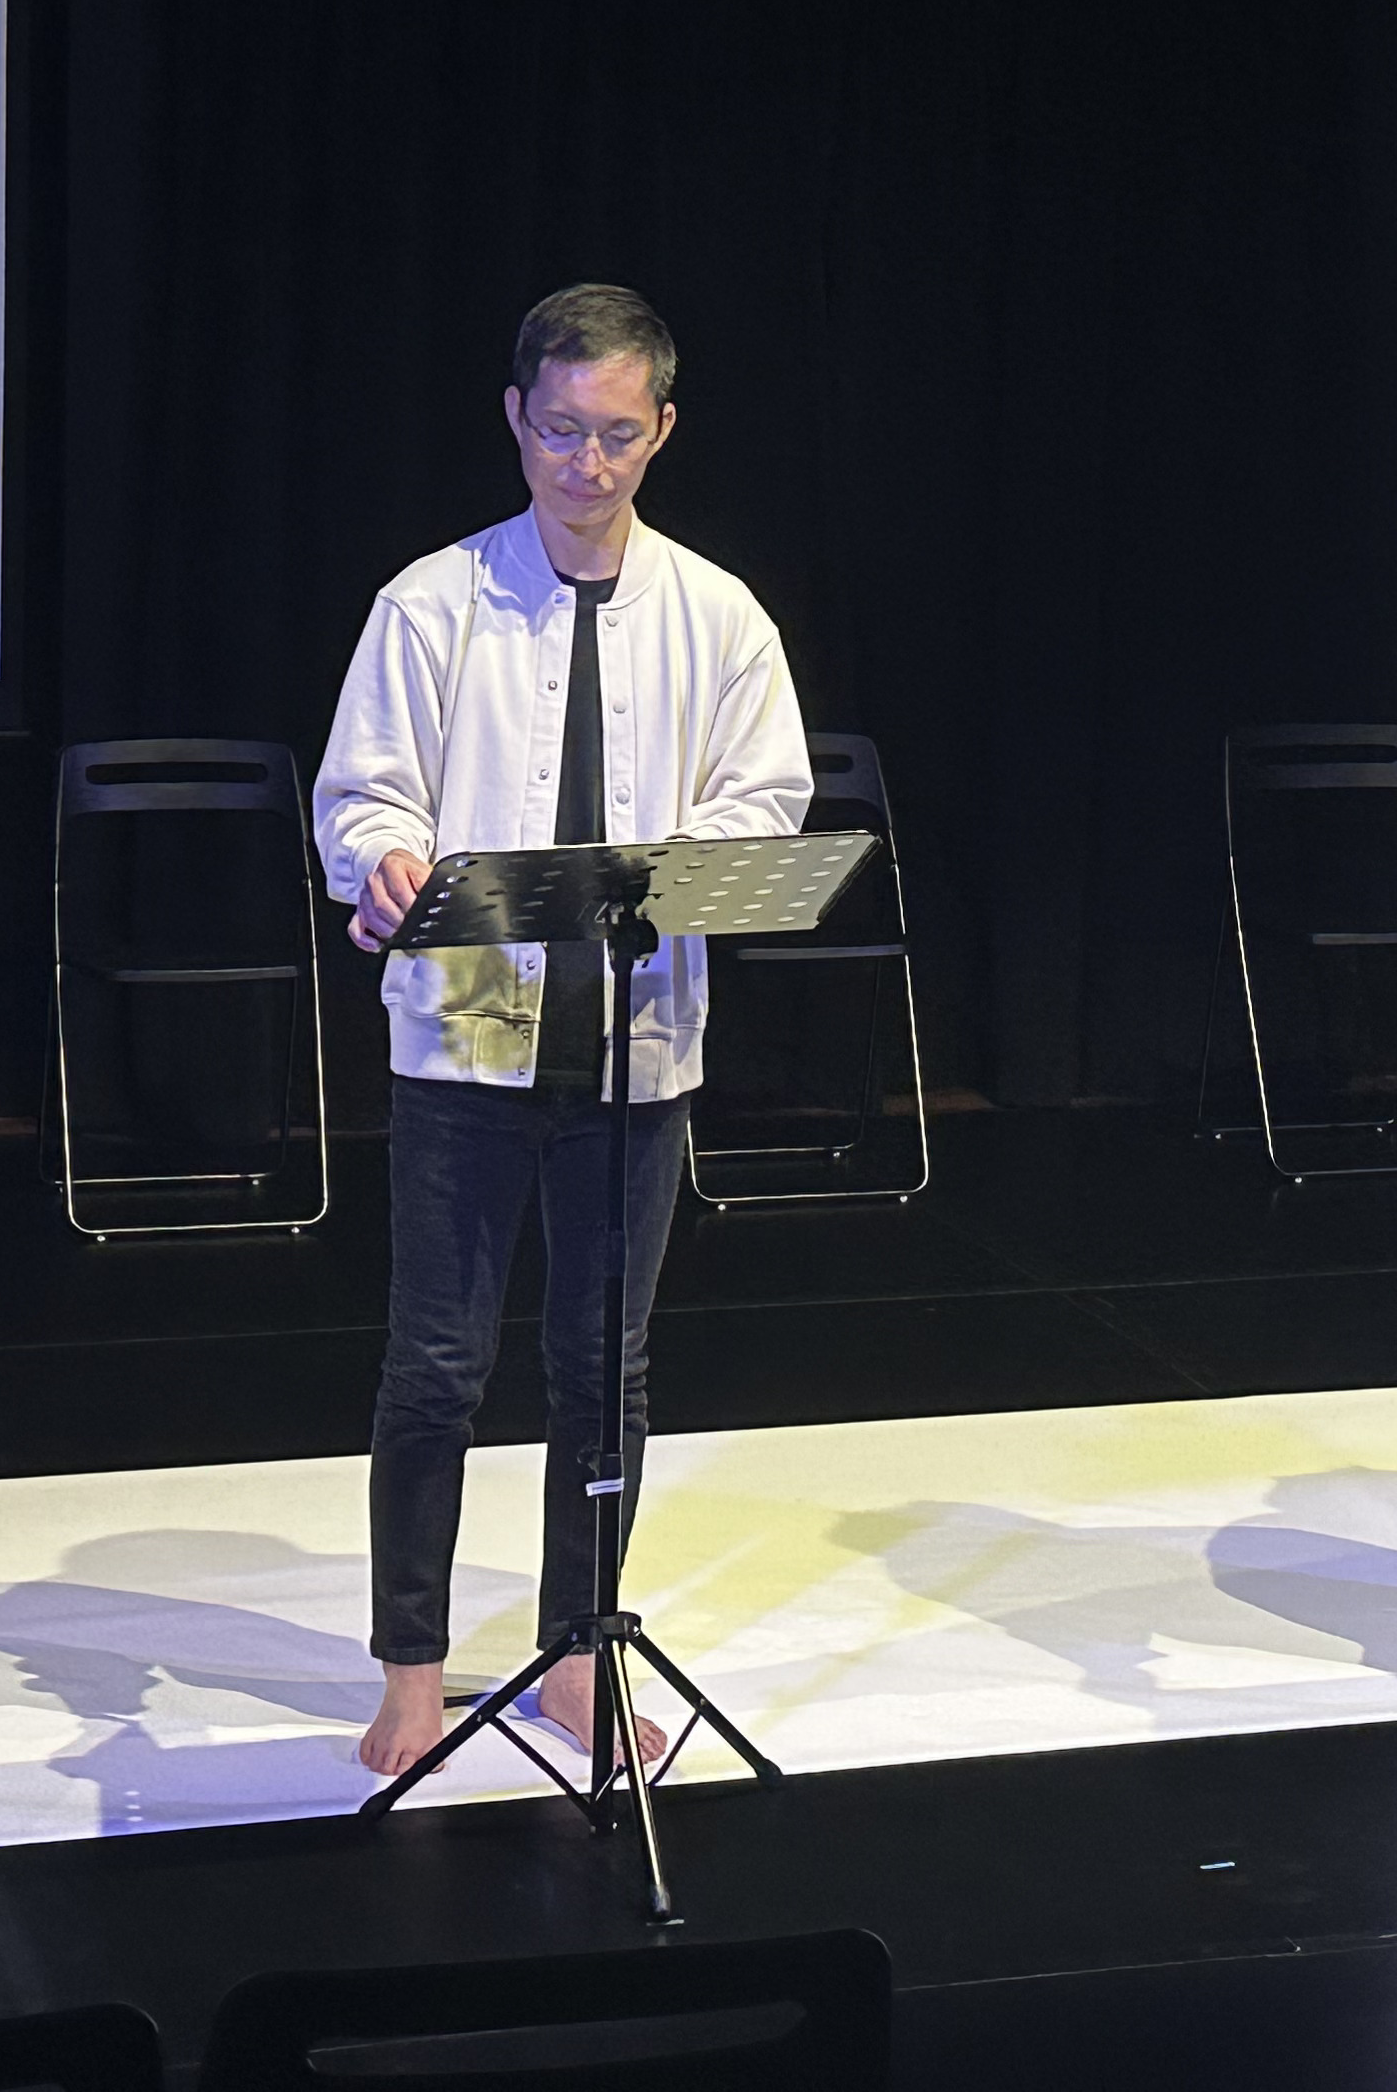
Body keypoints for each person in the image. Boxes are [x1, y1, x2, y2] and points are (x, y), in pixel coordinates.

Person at [316, 282, 812, 1775]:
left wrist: (675, 874)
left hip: (636, 1054)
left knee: (609, 1368)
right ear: (515, 423)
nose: (583, 468)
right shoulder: (431, 602)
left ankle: (579, 1655)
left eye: (614, 437)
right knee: (437, 1368)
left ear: (661, 431)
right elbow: (366, 795)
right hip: (469, 1047)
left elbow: (768, 804)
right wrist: (385, 859)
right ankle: (412, 1666)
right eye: (557, 434)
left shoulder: (717, 613)